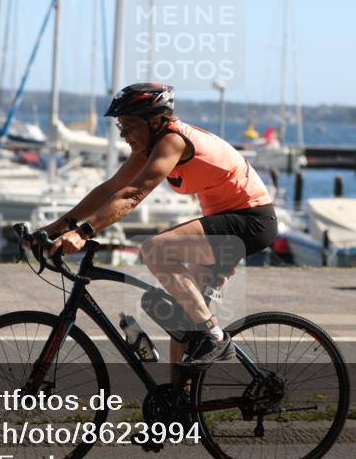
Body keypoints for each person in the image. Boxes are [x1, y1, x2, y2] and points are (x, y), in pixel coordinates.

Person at [41, 83, 277, 367]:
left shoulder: (173, 141)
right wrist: (52, 229)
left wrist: (83, 233)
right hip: (223, 220)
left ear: (155, 121)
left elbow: (132, 195)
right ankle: (179, 408)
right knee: (184, 327)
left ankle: (216, 337)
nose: (123, 134)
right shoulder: (149, 146)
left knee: (156, 249)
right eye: (120, 126)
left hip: (251, 220)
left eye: (128, 126)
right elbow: (110, 189)